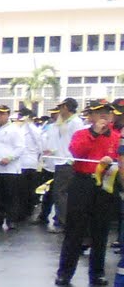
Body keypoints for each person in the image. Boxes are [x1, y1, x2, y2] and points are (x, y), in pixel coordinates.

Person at [55, 101, 121, 287]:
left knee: (101, 230)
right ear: (90, 116)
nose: (104, 116)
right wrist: (94, 134)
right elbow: (76, 151)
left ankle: (97, 272)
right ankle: (65, 272)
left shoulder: (116, 137)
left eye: (107, 113)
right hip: (83, 181)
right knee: (75, 230)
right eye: (99, 113)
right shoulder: (81, 134)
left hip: (105, 184)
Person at [41, 98, 84, 230]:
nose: (59, 110)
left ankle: (63, 222)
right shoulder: (63, 122)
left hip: (67, 161)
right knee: (59, 192)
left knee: (60, 193)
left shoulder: (76, 122)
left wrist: (71, 159)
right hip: (60, 159)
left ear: (66, 107)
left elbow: (76, 142)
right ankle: (62, 220)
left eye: (61, 107)